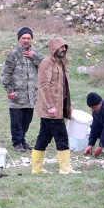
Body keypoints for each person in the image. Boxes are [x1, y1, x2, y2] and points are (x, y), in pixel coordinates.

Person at [31, 37, 78, 174]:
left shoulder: (61, 63)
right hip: (51, 109)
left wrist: (68, 104)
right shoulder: (47, 63)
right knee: (61, 136)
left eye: (65, 47)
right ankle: (65, 168)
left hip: (58, 107)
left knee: (44, 137)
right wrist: (50, 105)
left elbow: (63, 87)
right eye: (60, 47)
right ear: (53, 49)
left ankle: (37, 169)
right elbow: (43, 86)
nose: (63, 49)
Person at [0, 27, 44, 152]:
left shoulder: (35, 53)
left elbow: (46, 66)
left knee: (27, 121)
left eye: (28, 38)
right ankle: (17, 143)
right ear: (19, 39)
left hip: (31, 96)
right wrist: (10, 90)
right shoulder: (13, 54)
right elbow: (5, 74)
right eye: (23, 38)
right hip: (17, 96)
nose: (26, 40)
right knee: (16, 122)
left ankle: (22, 140)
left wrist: (34, 56)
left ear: (32, 40)